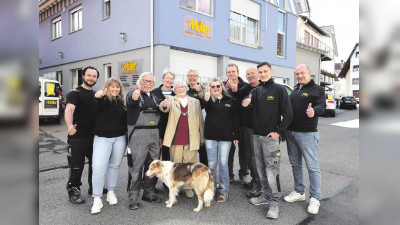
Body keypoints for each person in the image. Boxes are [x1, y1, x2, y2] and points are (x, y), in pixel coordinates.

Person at [242, 62, 293, 219]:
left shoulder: (279, 89)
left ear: (271, 72)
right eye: (260, 72)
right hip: (256, 136)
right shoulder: (256, 91)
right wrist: (247, 103)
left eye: (265, 71)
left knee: (272, 171)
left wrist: (278, 132)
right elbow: (252, 107)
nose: (262, 74)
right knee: (261, 169)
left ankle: (274, 204)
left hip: (270, 139)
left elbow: (288, 113)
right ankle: (265, 195)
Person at [283, 64, 325, 215]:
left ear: (309, 72)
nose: (299, 75)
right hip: (291, 133)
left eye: (302, 73)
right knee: (295, 164)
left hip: (307, 133)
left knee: (312, 166)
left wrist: (314, 111)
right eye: (297, 74)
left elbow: (322, 106)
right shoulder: (295, 90)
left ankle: (315, 197)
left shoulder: (317, 89)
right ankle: (299, 191)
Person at [159, 80, 204, 198]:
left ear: (187, 88)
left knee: (190, 165)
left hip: (191, 138)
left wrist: (202, 137)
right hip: (175, 138)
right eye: (178, 87)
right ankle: (176, 187)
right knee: (176, 165)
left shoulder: (195, 102)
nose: (180, 88)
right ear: (174, 90)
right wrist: (164, 104)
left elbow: (200, 120)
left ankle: (189, 188)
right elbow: (164, 107)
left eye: (183, 86)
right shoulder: (171, 100)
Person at [90, 78, 127, 214]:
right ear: (107, 88)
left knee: (115, 166)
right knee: (99, 168)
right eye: (112, 87)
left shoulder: (122, 102)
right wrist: (98, 97)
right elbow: (97, 103)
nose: (115, 89)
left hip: (120, 138)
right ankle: (97, 198)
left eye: (117, 87)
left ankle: (111, 192)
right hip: (102, 139)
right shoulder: (103, 100)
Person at [126, 72, 162, 210]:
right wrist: (134, 96)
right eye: (145, 81)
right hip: (138, 135)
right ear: (140, 82)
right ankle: (133, 196)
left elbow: (162, 111)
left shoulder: (155, 97)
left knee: (153, 165)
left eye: (151, 81)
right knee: (136, 166)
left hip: (154, 134)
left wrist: (164, 104)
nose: (148, 83)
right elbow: (130, 99)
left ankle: (149, 192)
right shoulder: (133, 94)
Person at [65, 66, 99, 204]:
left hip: (94, 137)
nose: (91, 78)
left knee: (95, 164)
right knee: (77, 165)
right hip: (78, 136)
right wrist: (69, 126)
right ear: (83, 76)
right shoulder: (75, 93)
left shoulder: (96, 94)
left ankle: (94, 187)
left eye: (94, 76)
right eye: (89, 75)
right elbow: (69, 110)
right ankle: (73, 190)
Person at [204, 78, 240, 203]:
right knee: (212, 164)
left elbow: (236, 119)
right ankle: (211, 189)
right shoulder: (208, 100)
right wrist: (207, 98)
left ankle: (224, 191)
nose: (215, 88)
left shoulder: (230, 100)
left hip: (226, 137)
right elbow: (206, 108)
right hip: (210, 137)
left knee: (223, 164)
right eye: (212, 86)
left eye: (218, 86)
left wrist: (236, 136)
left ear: (222, 86)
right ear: (209, 88)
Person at [236, 67, 262, 198]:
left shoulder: (263, 88)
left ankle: (258, 183)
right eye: (248, 74)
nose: (250, 76)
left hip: (256, 129)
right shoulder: (247, 89)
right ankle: (252, 178)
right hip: (245, 127)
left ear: (258, 74)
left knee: (254, 157)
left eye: (253, 73)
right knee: (247, 155)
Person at [224, 63, 249, 185]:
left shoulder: (246, 86)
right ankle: (229, 174)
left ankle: (244, 174)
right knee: (229, 151)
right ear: (226, 74)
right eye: (229, 72)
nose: (231, 74)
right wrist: (227, 88)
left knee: (244, 151)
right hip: (229, 124)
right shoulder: (223, 87)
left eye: (233, 71)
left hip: (244, 123)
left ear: (238, 73)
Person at [152, 68, 176, 161]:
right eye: (167, 78)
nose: (169, 80)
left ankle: (165, 175)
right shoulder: (154, 92)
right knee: (155, 157)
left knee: (167, 157)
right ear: (163, 78)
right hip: (157, 128)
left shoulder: (175, 94)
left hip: (170, 129)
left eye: (171, 78)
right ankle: (154, 176)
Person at [186, 69, 208, 165]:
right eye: (190, 76)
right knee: (189, 152)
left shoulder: (203, 90)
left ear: (197, 77)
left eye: (194, 76)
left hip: (199, 125)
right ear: (187, 78)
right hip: (186, 125)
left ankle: (205, 174)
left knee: (203, 152)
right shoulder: (184, 90)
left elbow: (205, 105)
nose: (192, 78)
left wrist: (201, 93)